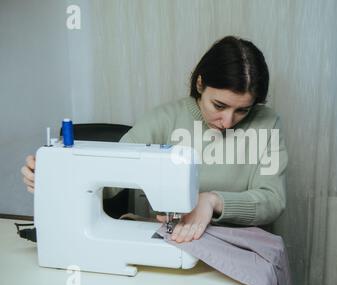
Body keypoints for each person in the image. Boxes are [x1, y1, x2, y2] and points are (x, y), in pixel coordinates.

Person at [21, 36, 288, 244]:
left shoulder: (267, 123)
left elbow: (272, 200)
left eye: (242, 110)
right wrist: (56, 176)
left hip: (237, 244)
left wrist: (211, 201)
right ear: (199, 84)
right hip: (172, 238)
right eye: (219, 105)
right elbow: (111, 179)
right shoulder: (163, 119)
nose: (228, 122)